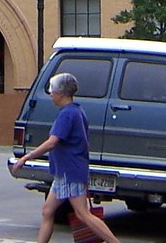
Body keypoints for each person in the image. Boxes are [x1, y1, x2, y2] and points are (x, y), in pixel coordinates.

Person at [10, 71, 121, 243]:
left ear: (61, 93)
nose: (51, 94)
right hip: (65, 172)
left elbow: (52, 142)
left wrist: (26, 157)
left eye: (52, 90)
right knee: (47, 211)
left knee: (82, 214)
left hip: (70, 172)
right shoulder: (76, 111)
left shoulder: (67, 114)